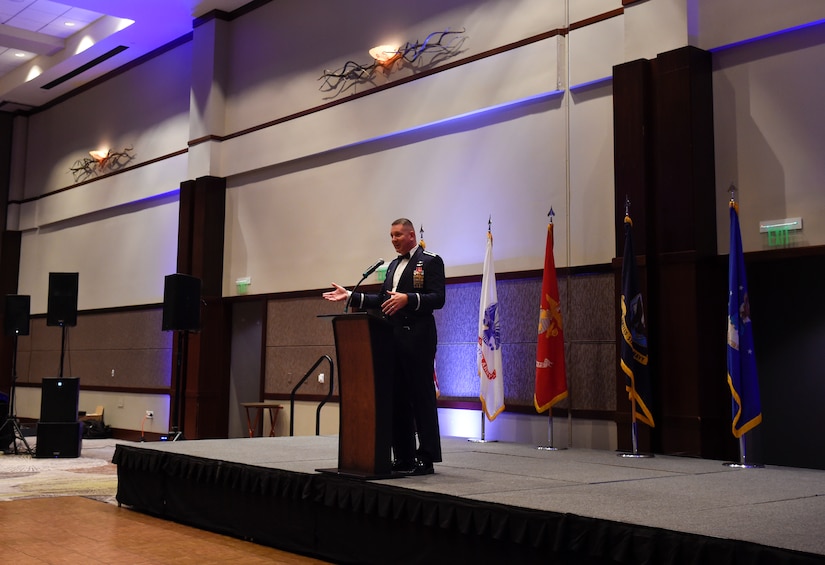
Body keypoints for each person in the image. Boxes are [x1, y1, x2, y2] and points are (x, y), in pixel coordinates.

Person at [323, 218, 445, 475]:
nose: (393, 240)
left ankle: (427, 457)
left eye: (398, 235)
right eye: (391, 235)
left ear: (412, 235)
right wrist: (351, 296)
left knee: (420, 398)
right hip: (392, 339)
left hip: (418, 339)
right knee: (397, 399)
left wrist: (408, 299)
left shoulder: (431, 261)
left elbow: (438, 298)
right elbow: (381, 300)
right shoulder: (390, 267)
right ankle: (404, 457)